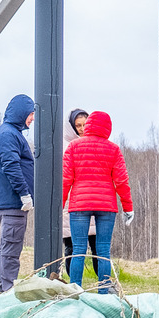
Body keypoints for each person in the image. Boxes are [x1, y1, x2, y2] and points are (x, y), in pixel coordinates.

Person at [62, 111, 134, 293]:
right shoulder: (114, 149)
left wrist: (60, 204)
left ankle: (75, 291)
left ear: (89, 125)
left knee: (78, 249)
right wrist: (128, 208)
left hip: (79, 204)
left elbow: (65, 179)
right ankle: (104, 293)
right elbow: (122, 182)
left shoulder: (73, 147)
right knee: (103, 250)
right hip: (106, 206)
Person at [0, 94, 35, 292]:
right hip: (13, 203)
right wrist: (24, 194)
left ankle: (4, 288)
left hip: (12, 203)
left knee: (9, 248)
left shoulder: (12, 133)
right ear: (21, 113)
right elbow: (11, 166)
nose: (32, 118)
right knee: (11, 249)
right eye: (31, 114)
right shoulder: (8, 134)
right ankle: (7, 291)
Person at [62, 108, 98, 278]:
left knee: (97, 246)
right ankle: (73, 283)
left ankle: (103, 281)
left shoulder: (96, 143)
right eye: (78, 125)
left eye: (85, 125)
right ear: (71, 126)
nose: (82, 129)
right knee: (73, 247)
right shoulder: (64, 145)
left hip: (93, 199)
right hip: (72, 201)